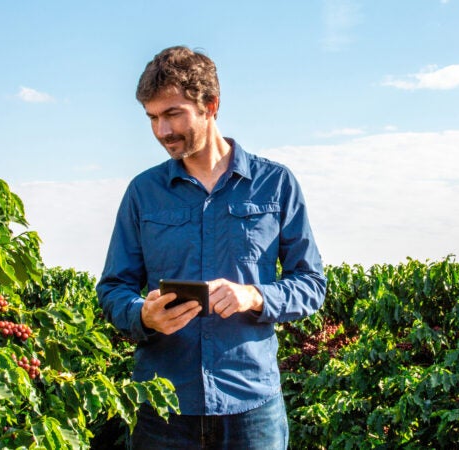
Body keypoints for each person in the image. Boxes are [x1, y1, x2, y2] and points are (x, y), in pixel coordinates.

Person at [96, 45, 326, 450]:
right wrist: (142, 315)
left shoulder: (276, 184)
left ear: (211, 105)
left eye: (173, 114)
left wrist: (254, 295)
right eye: (152, 117)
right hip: (163, 404)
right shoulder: (142, 192)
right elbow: (113, 288)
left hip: (251, 404)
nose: (162, 131)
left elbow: (311, 284)